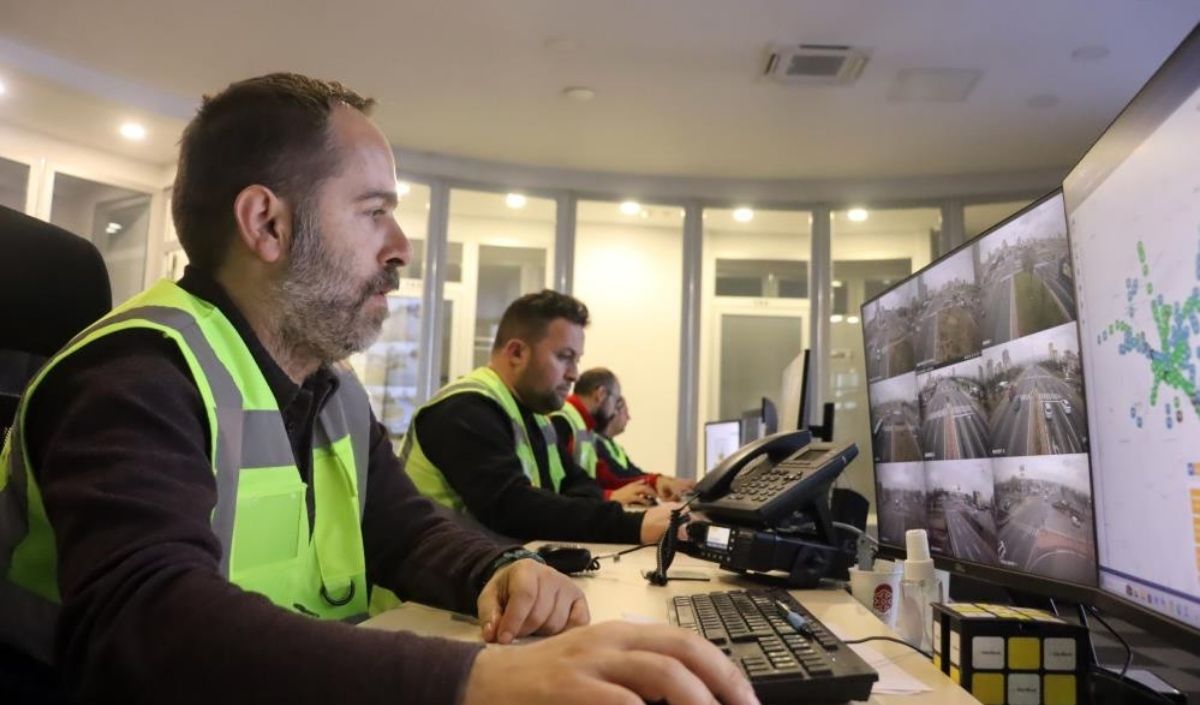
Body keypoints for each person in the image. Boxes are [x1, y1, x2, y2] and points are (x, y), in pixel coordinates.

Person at [0, 73, 756, 705]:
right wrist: (475, 676)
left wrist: (499, 569)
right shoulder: (137, 374)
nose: (400, 249)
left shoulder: (326, 388)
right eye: (375, 212)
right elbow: (146, 624)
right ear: (267, 222)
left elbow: (403, 528)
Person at [403, 292, 683, 543]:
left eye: (577, 360)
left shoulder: (536, 418)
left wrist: (562, 509)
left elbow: (580, 484)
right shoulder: (464, 410)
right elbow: (513, 508)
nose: (574, 374)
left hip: (490, 586)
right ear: (516, 353)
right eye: (564, 357)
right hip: (427, 597)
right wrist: (634, 526)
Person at [553, 368, 693, 505]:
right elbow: (568, 487)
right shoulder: (562, 421)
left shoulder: (583, 426)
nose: (615, 410)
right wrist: (608, 496)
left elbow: (602, 476)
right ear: (600, 394)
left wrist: (655, 481)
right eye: (616, 400)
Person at [595, 395, 696, 502]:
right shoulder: (595, 443)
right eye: (626, 413)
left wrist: (667, 480)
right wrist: (655, 482)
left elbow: (635, 473)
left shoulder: (613, 446)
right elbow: (618, 477)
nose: (629, 417)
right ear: (614, 412)